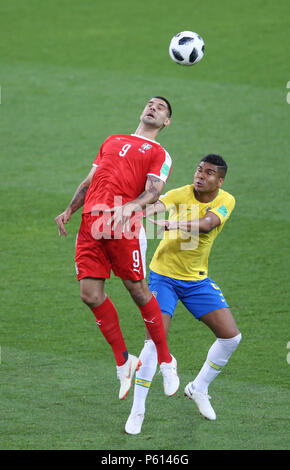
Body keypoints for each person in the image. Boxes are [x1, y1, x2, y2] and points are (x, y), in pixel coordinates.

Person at [55, 97, 179, 401]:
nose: (152, 107)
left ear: (166, 123)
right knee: (89, 295)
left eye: (160, 108)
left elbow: (153, 191)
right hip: (90, 223)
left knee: (138, 291)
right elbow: (90, 179)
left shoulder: (159, 152)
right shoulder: (112, 140)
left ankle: (166, 359)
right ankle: (124, 362)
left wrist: (130, 207)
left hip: (123, 226)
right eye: (150, 103)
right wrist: (69, 209)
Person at [125, 153, 242, 434]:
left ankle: (198, 388)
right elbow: (159, 205)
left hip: (196, 280)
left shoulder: (226, 200)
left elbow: (208, 224)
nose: (201, 175)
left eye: (209, 172)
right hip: (163, 277)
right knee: (154, 341)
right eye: (199, 170)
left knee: (231, 338)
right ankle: (137, 410)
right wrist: (140, 212)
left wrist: (173, 224)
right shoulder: (181, 193)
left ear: (220, 180)